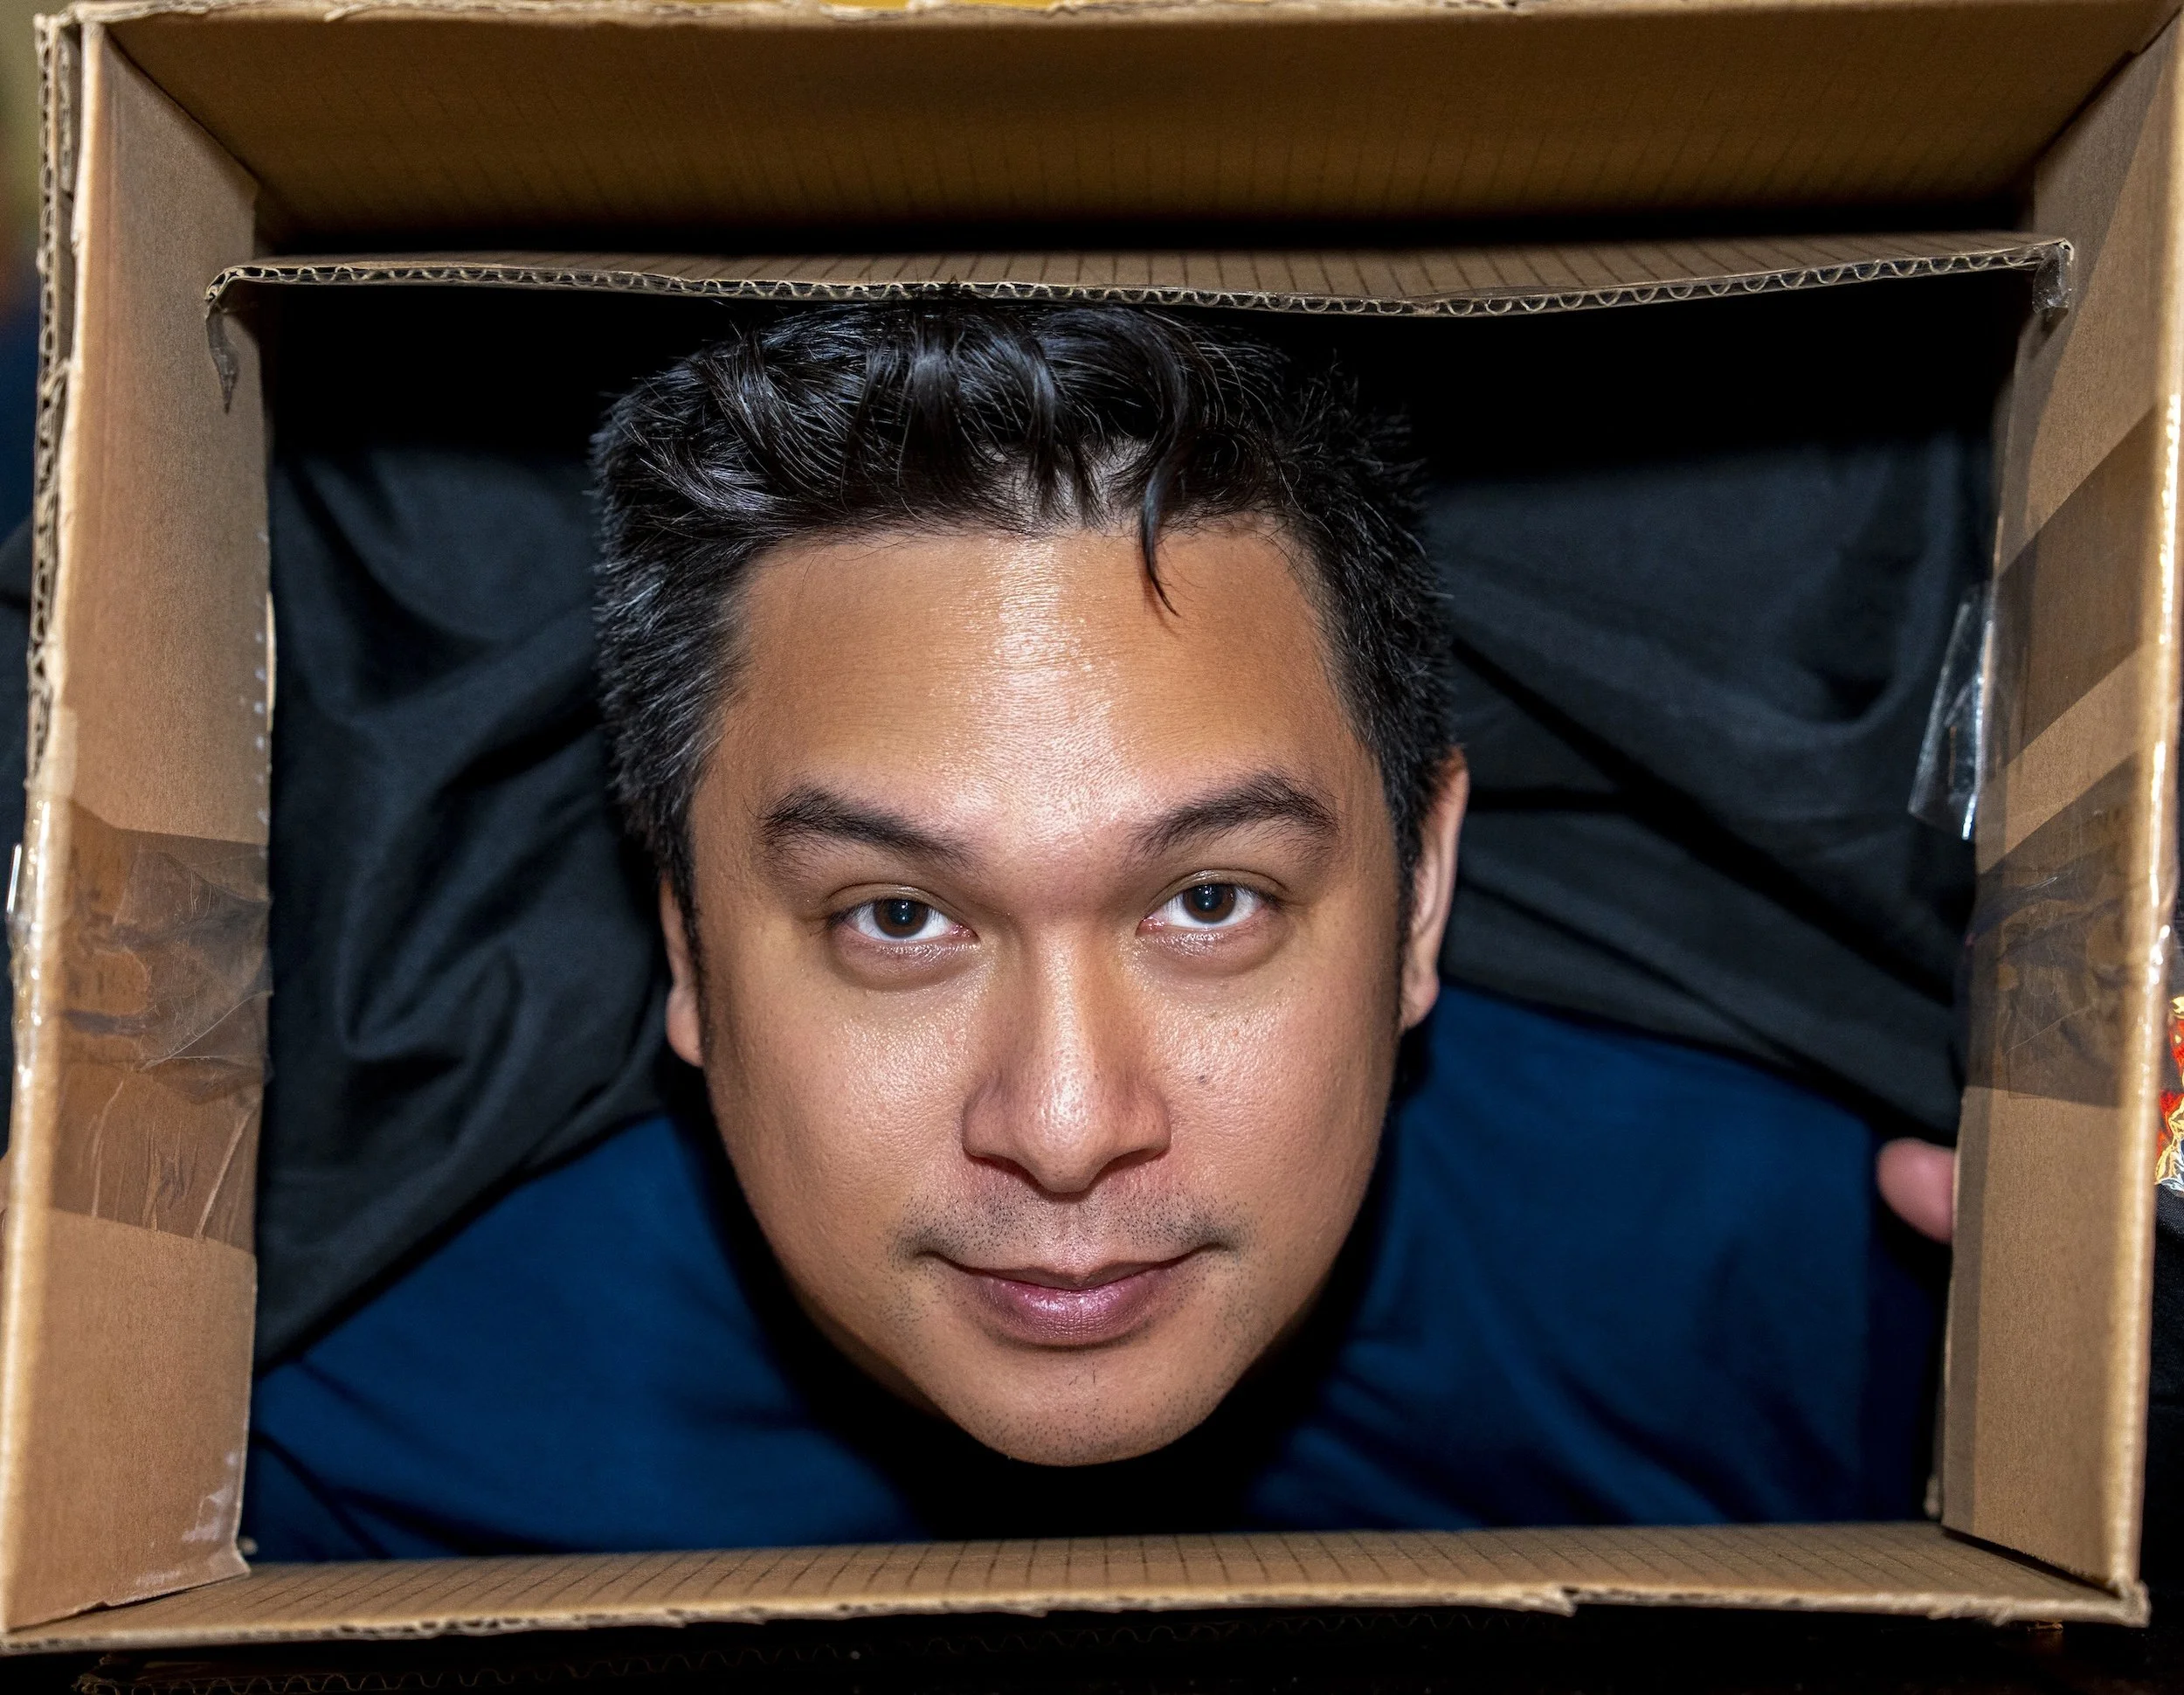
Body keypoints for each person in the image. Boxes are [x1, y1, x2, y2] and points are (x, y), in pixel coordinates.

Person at [243, 302, 1952, 1557]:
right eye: (898, 915)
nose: (1065, 1128)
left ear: (1423, 891)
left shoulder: (1808, 1299)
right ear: (683, 941)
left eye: (1209, 900)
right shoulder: (375, 1425)